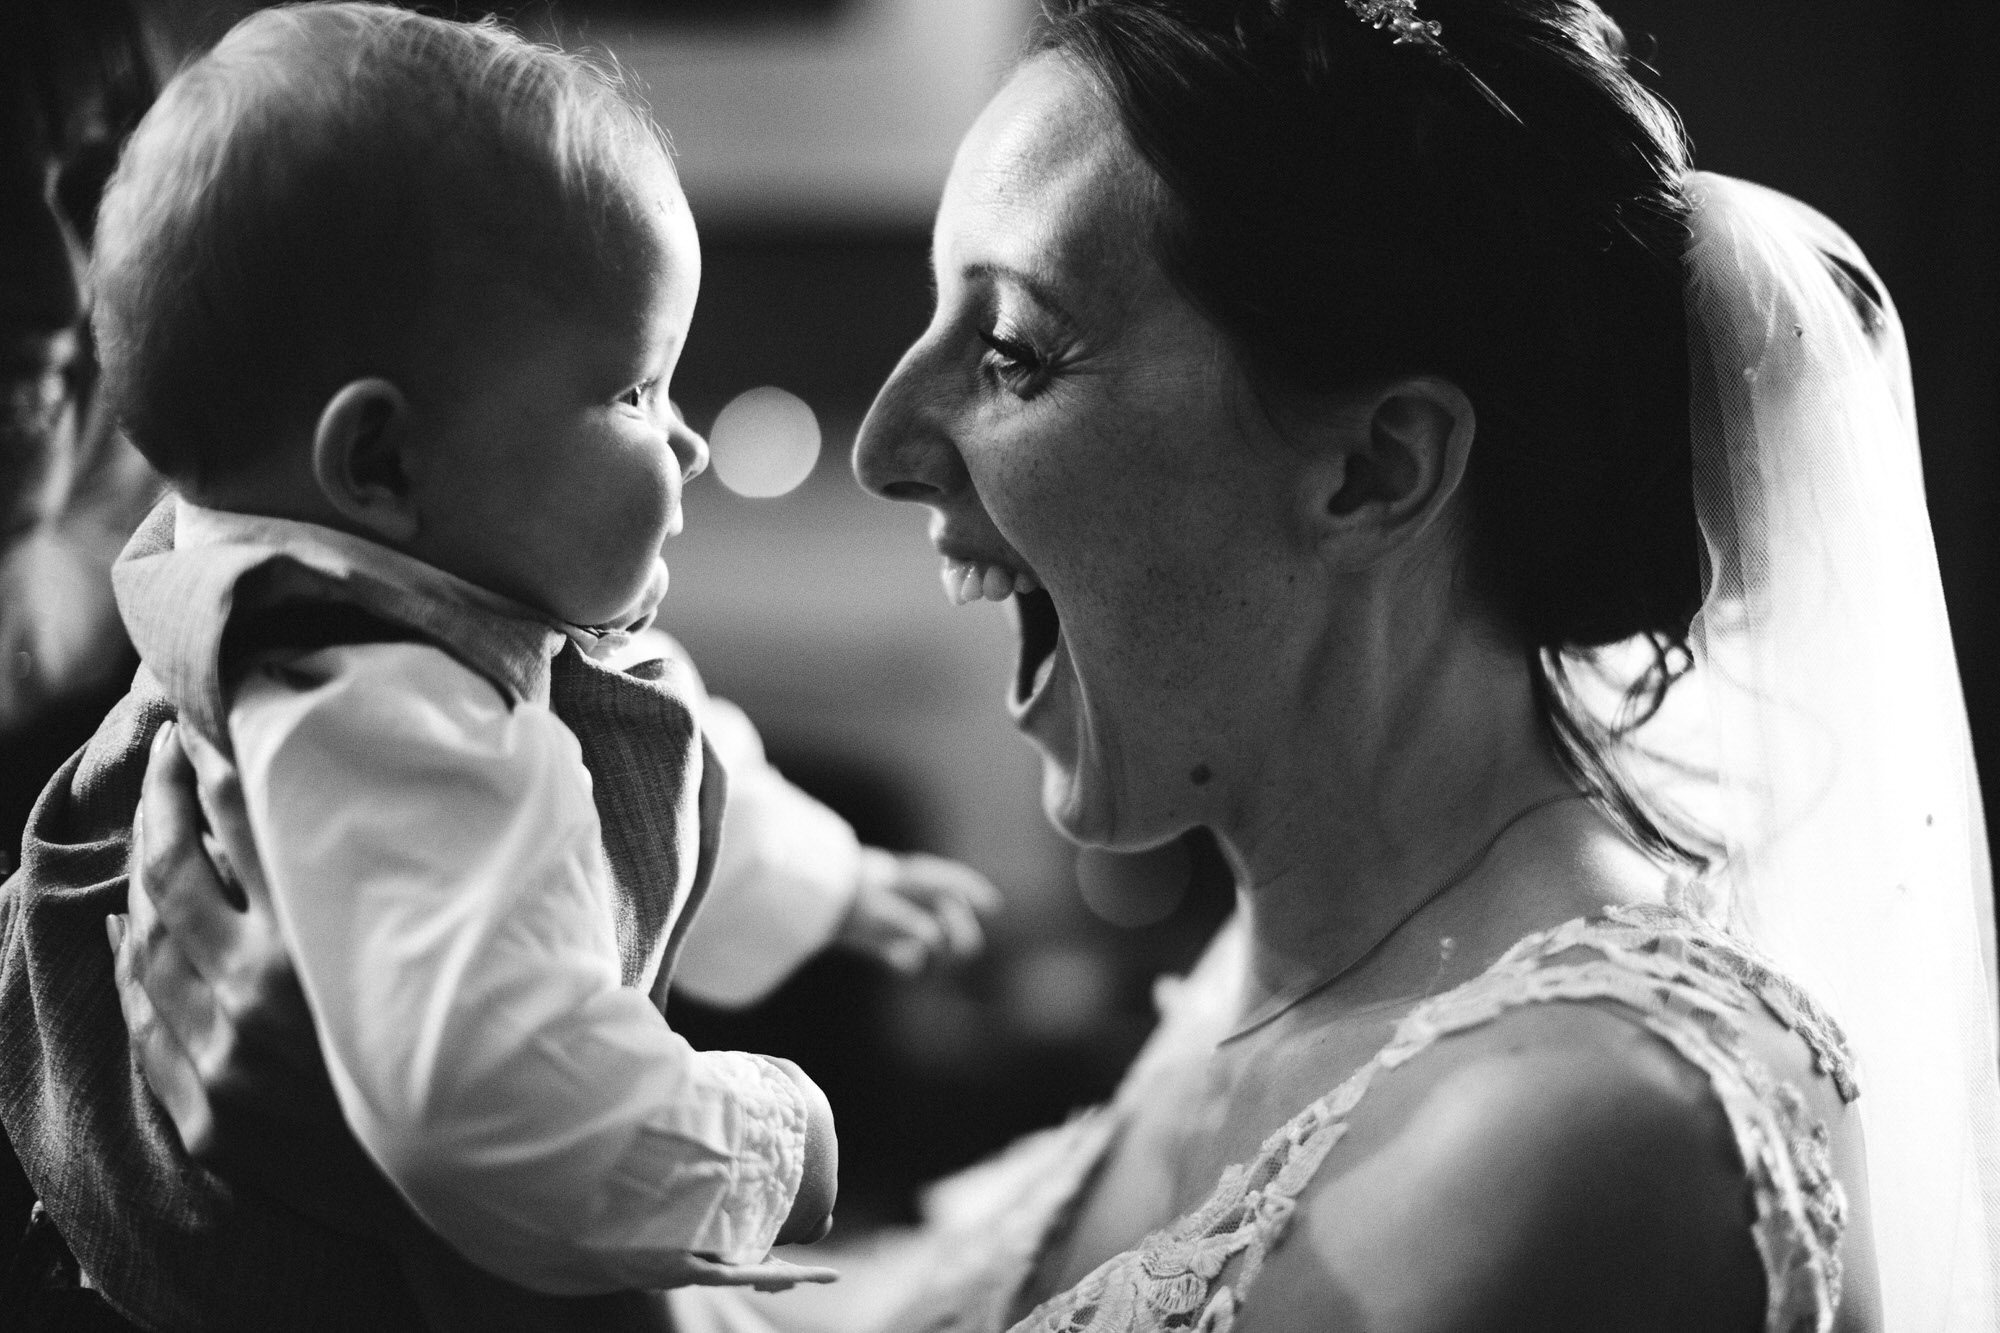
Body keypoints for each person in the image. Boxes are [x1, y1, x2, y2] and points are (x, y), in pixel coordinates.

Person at [110, 1, 2000, 1330]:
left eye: (1012, 352)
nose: (881, 442)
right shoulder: (1279, 973)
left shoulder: (1583, 1138)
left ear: (1374, 466)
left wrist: (383, 1213)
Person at [1, 5, 878, 1328]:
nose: (688, 445)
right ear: (384, 463)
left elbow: (676, 752)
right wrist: (775, 1140)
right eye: (638, 393)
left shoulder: (336, 602)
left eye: (79, 179)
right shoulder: (372, 705)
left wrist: (838, 883)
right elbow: (503, 1107)